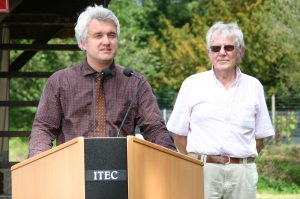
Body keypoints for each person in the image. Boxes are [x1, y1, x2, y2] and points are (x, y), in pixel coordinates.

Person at [29, 5, 176, 157]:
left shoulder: (135, 82)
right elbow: (43, 129)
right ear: (83, 42)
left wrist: (172, 159)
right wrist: (37, 161)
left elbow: (154, 128)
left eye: (111, 35)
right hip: (72, 170)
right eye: (98, 35)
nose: (106, 41)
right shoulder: (60, 82)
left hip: (121, 171)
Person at [167, 22, 274, 199]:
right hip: (202, 172)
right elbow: (179, 135)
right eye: (216, 48)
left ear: (240, 52)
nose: (222, 52)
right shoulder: (192, 85)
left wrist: (237, 160)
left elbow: (260, 139)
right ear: (209, 53)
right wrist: (198, 161)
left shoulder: (254, 86)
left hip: (242, 175)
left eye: (229, 47)